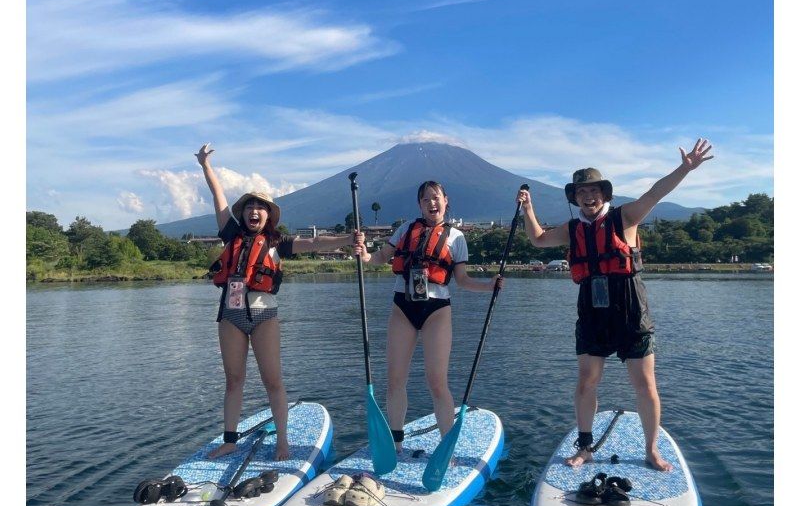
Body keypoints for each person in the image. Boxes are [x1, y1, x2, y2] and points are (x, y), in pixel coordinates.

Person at [518, 138, 714, 472]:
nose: (588, 196)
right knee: (586, 381)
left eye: (593, 190)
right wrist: (527, 209)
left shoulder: (625, 217)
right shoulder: (573, 228)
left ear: (604, 194)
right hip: (592, 310)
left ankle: (651, 449)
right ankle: (585, 447)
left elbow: (655, 193)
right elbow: (537, 239)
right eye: (581, 192)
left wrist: (685, 167)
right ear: (575, 198)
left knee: (644, 384)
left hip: (629, 307)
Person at [196, 143, 361, 460]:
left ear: (268, 215)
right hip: (230, 317)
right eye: (249, 207)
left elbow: (313, 242)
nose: (254, 211)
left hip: (264, 317)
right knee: (234, 381)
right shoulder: (230, 234)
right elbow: (218, 200)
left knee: (273, 380)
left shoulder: (277, 242)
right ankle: (230, 440)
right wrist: (206, 166)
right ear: (242, 213)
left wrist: (346, 238)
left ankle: (282, 442)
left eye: (260, 207)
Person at [354, 180, 503, 453]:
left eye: (436, 198)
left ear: (446, 200)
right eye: (425, 200)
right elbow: (381, 257)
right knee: (395, 378)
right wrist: (365, 256)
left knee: (437, 381)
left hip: (437, 310)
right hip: (403, 307)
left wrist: (488, 286)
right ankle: (396, 442)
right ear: (419, 205)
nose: (432, 204)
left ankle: (446, 446)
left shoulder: (457, 237)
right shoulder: (405, 230)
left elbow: (462, 280)